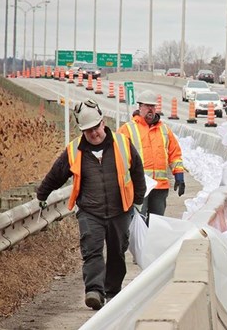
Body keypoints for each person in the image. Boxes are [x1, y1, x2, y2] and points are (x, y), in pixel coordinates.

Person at [36, 99, 146, 310]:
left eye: (96, 128)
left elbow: (138, 171)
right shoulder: (74, 150)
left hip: (120, 209)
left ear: (103, 123)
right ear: (82, 131)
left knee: (117, 251)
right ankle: (94, 291)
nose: (93, 133)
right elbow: (56, 174)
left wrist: (138, 199)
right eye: (88, 131)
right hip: (90, 211)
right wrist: (42, 194)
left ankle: (113, 291)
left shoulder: (122, 143)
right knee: (92, 250)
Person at [118, 90, 185, 222]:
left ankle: (152, 243)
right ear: (140, 107)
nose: (150, 109)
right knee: (138, 223)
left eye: (153, 106)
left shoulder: (164, 130)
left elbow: (174, 154)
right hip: (138, 187)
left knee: (156, 225)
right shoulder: (127, 129)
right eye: (147, 106)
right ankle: (139, 244)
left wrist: (179, 176)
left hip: (160, 188)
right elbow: (118, 157)